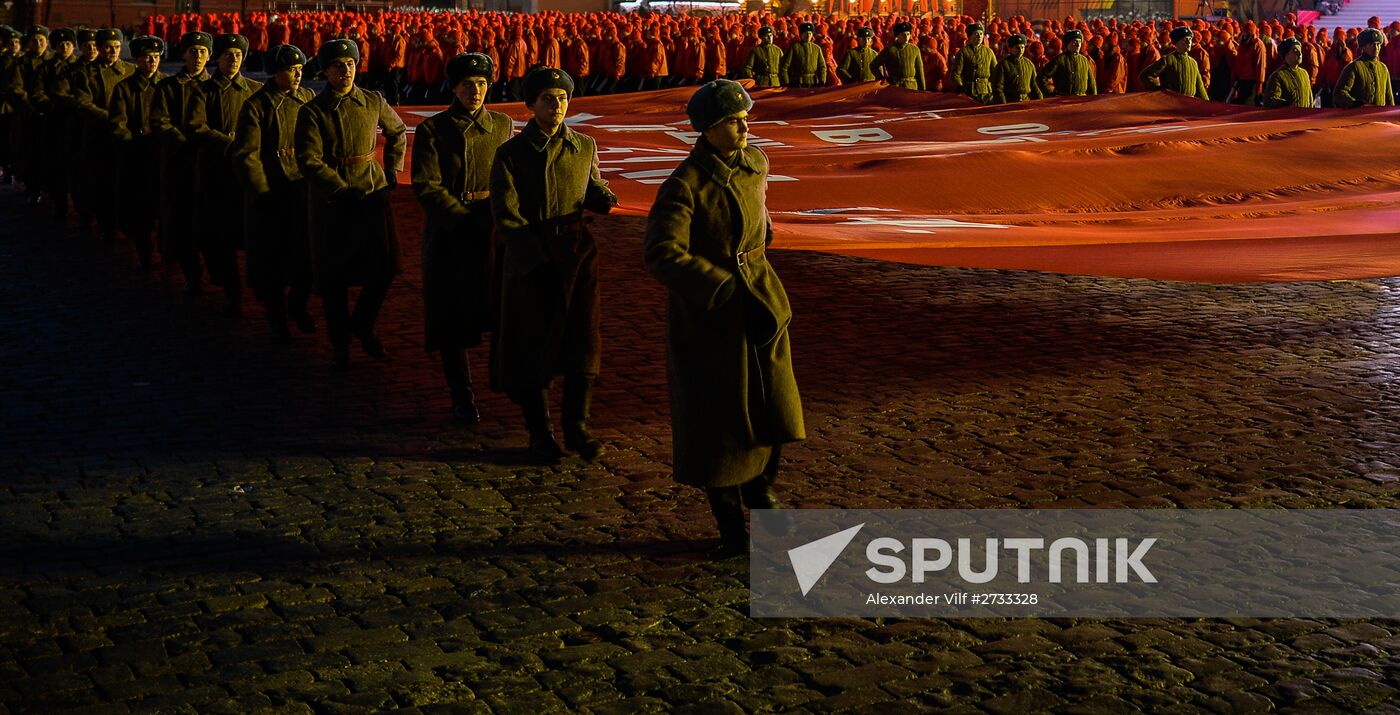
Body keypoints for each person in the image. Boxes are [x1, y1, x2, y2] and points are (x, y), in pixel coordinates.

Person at [643, 79, 805, 560]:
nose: (744, 127)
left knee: (776, 408)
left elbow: (760, 214)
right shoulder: (683, 185)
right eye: (733, 122)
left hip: (761, 299)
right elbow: (661, 252)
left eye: (745, 119)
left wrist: (762, 239)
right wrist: (716, 284)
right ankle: (731, 526)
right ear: (708, 130)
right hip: (711, 318)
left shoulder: (756, 161)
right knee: (719, 426)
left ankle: (761, 486)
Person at [489, 65, 617, 463]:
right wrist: (533, 259)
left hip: (577, 252)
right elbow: (506, 214)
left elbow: (593, 183)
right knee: (533, 344)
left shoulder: (584, 145)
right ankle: (539, 432)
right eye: (548, 99)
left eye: (562, 99)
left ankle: (577, 427)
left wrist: (603, 196)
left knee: (583, 340)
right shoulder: (511, 153)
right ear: (531, 105)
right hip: (532, 255)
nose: (557, 106)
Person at [295, 38, 407, 371]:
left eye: (350, 64)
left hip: (371, 192)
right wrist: (338, 187)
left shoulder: (372, 100)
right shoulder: (313, 110)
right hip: (332, 201)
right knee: (334, 280)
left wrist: (391, 170)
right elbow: (308, 158)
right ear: (326, 71)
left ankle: (362, 323)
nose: (345, 70)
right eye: (337, 66)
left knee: (385, 267)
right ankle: (340, 344)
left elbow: (397, 130)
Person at [411, 53, 512, 424]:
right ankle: (462, 395)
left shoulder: (502, 124)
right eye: (468, 84)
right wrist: (457, 216)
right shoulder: (433, 130)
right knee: (451, 317)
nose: (476, 91)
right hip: (451, 234)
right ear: (453, 87)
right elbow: (425, 184)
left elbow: (510, 176)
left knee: (499, 308)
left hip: (493, 231)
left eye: (483, 84)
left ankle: (502, 375)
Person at [229, 44, 317, 342]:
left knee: (306, 259)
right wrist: (261, 191)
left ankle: (298, 305)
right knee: (272, 265)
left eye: (300, 70)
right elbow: (246, 155)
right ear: (276, 72)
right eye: (291, 70)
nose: (298, 75)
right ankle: (277, 319)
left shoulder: (307, 97)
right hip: (272, 195)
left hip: (302, 192)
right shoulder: (257, 106)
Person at [193, 33, 262, 315]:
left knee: (248, 232)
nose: (233, 60)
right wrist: (230, 143)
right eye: (227, 55)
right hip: (216, 171)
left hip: (246, 173)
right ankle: (231, 288)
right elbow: (197, 126)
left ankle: (256, 286)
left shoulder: (255, 90)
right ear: (217, 59)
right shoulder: (204, 91)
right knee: (219, 234)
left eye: (237, 55)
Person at [151, 31, 212, 294]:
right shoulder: (168, 87)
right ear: (184, 54)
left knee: (210, 220)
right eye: (193, 51)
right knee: (182, 219)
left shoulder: (215, 86)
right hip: (179, 163)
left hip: (210, 165)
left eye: (202, 51)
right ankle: (191, 273)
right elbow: (159, 121)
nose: (197, 56)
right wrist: (184, 142)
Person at [108, 35, 166, 269]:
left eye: (155, 57)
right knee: (141, 209)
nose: (151, 61)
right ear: (137, 60)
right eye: (146, 57)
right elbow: (117, 124)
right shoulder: (124, 88)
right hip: (137, 156)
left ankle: (166, 249)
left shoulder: (167, 84)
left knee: (163, 206)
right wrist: (132, 145)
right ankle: (144, 252)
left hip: (161, 156)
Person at [71, 29, 132, 242]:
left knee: (121, 181)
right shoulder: (86, 73)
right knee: (98, 181)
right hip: (98, 135)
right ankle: (101, 222)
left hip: (123, 136)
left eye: (116, 46)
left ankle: (121, 222)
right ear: (99, 47)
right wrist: (111, 117)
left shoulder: (129, 70)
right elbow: (82, 102)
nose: (113, 51)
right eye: (108, 46)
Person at [1138, 27, 1210, 100]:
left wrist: (1207, 105)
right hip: (1171, 103)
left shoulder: (1193, 62)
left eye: (1190, 39)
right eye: (1185, 39)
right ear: (1176, 42)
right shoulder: (1168, 60)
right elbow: (1145, 76)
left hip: (1188, 105)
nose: (1189, 42)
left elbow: (1200, 88)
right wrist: (1161, 90)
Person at [1334, 28, 1396, 107]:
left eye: (1378, 44)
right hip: (1359, 117)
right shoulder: (1354, 67)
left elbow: (1389, 98)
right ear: (1362, 47)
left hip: (1380, 117)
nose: (1376, 47)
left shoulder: (1383, 68)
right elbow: (1339, 94)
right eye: (1371, 44)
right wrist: (1355, 104)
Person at [1039, 29, 1097, 97]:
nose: (1078, 45)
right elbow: (1041, 76)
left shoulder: (1085, 60)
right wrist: (1049, 93)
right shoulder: (1059, 60)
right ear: (1068, 43)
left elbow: (1091, 83)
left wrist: (1093, 98)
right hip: (1062, 100)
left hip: (1081, 100)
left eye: (1080, 42)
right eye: (1075, 42)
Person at [949, 22, 996, 103]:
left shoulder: (989, 52)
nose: (979, 36)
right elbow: (956, 73)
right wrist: (959, 86)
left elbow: (995, 73)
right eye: (976, 34)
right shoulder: (963, 52)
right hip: (968, 92)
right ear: (970, 36)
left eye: (981, 34)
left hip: (986, 93)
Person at [872, 21, 924, 90]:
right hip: (895, 87)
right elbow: (873, 65)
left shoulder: (915, 50)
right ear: (897, 36)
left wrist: (922, 90)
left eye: (908, 34)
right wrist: (883, 79)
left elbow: (919, 72)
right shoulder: (890, 49)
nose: (906, 37)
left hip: (911, 87)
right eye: (903, 34)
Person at [990, 34, 1042, 104]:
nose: (1020, 50)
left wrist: (1040, 101)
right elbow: (998, 88)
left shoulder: (1029, 64)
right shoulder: (1003, 65)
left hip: (1026, 101)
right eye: (1017, 48)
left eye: (1022, 47)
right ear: (1010, 49)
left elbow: (1034, 86)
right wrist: (1003, 104)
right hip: (1010, 101)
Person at [1263, 38, 1314, 108]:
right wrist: (1285, 104)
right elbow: (1269, 101)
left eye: (1300, 51)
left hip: (1304, 117)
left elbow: (1310, 99)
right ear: (1286, 54)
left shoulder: (1304, 73)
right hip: (1288, 117)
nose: (1299, 54)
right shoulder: (1278, 76)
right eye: (1295, 51)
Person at [781, 22, 826, 88]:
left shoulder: (817, 48)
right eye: (806, 33)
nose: (808, 35)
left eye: (810, 33)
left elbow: (822, 67)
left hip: (813, 83)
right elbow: (784, 66)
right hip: (797, 83)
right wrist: (787, 82)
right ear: (801, 34)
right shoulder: (794, 47)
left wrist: (822, 81)